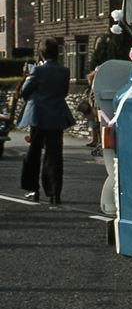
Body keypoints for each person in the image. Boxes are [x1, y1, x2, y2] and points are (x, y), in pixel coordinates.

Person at [19, 38, 75, 205]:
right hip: (57, 116)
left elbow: (24, 91)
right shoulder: (65, 71)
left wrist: (29, 76)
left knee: (33, 155)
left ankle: (33, 190)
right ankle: (54, 193)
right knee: (55, 156)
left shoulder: (37, 70)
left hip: (38, 116)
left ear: (41, 53)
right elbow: (63, 92)